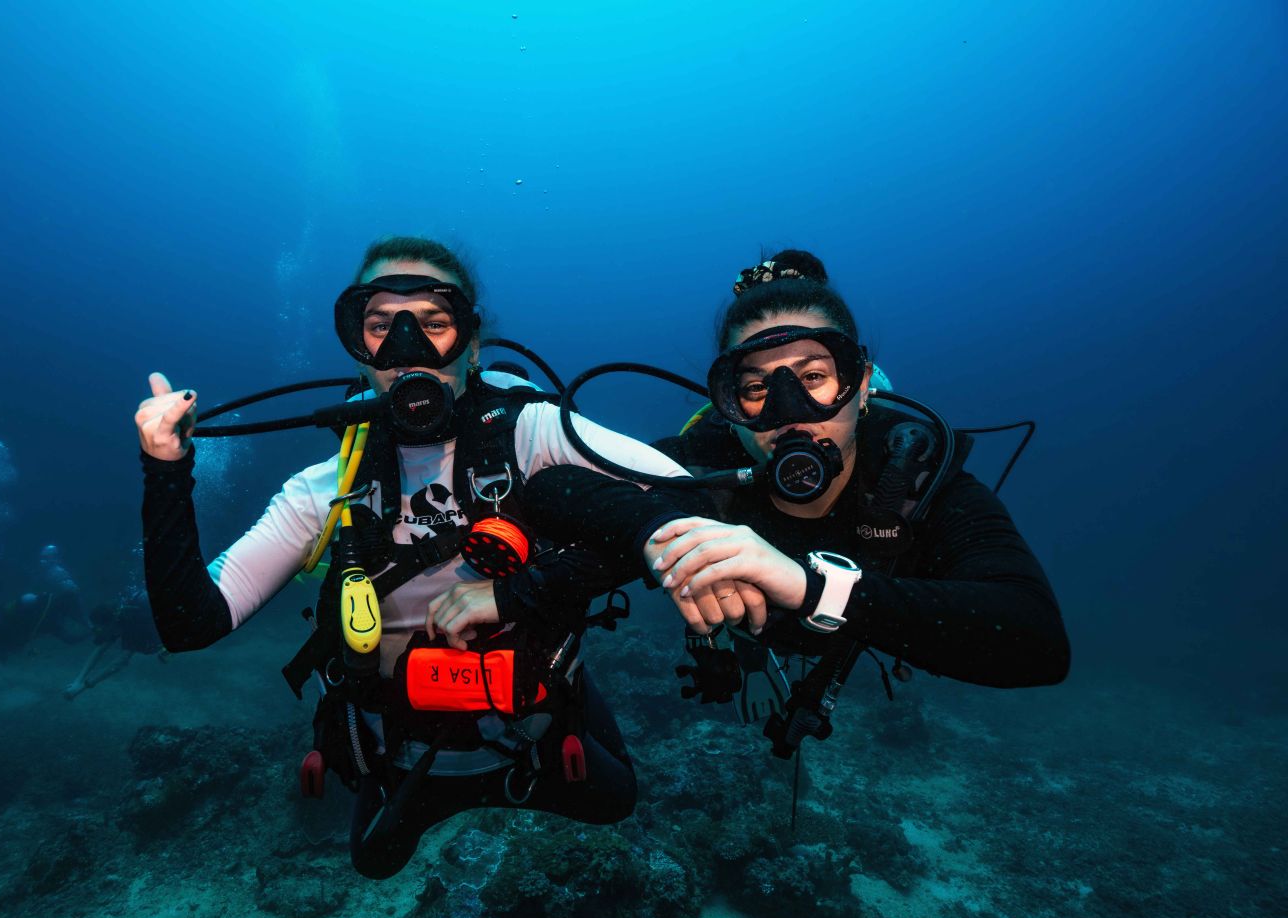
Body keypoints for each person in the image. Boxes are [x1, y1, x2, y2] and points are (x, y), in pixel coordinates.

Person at [136, 236, 691, 879]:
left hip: (532, 734)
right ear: (356, 345)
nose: (406, 349)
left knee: (616, 803)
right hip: (399, 754)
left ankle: (574, 693)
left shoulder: (536, 433)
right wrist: (165, 471)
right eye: (380, 326)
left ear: (472, 343)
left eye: (433, 323)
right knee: (376, 862)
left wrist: (523, 592)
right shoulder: (326, 489)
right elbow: (189, 622)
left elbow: (692, 505)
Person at [531, 251, 1068, 757]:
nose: (789, 413)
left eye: (814, 377)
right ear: (729, 405)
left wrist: (811, 588)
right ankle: (748, 645)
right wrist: (660, 526)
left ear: (859, 386)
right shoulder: (705, 462)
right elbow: (552, 488)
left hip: (850, 618)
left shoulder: (914, 476)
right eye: (757, 388)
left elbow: (1037, 643)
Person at [63, 587, 164, 700]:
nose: (100, 632)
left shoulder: (135, 621)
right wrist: (78, 680)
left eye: (101, 628)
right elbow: (100, 649)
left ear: (110, 623)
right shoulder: (116, 616)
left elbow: (118, 663)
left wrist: (83, 687)